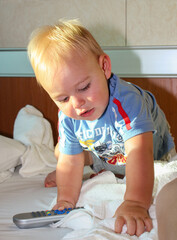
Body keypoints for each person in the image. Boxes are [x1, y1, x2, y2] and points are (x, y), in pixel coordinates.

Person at [27, 19, 175, 237]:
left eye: (84, 87)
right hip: (109, 152)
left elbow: (139, 152)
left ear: (104, 67)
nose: (77, 104)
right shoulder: (68, 116)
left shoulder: (127, 102)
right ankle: (85, 157)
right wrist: (65, 199)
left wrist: (135, 201)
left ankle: (87, 157)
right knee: (65, 154)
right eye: (63, 98)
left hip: (152, 154)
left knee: (158, 169)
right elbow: (70, 161)